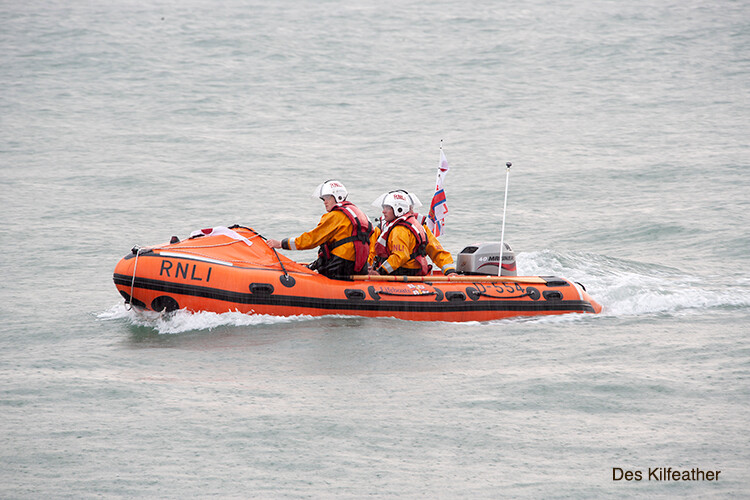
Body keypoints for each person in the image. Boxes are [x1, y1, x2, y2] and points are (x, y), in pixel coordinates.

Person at [267, 180, 372, 279]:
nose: (324, 202)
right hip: (358, 267)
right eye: (323, 199)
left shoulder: (335, 216)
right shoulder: (361, 215)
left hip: (340, 266)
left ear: (338, 197)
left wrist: (281, 244)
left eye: (327, 198)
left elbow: (311, 239)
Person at [368, 191, 457, 276]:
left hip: (400, 274)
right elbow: (371, 253)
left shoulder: (417, 227)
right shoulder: (382, 228)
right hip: (389, 273)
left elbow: (435, 250)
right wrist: (368, 270)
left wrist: (449, 271)